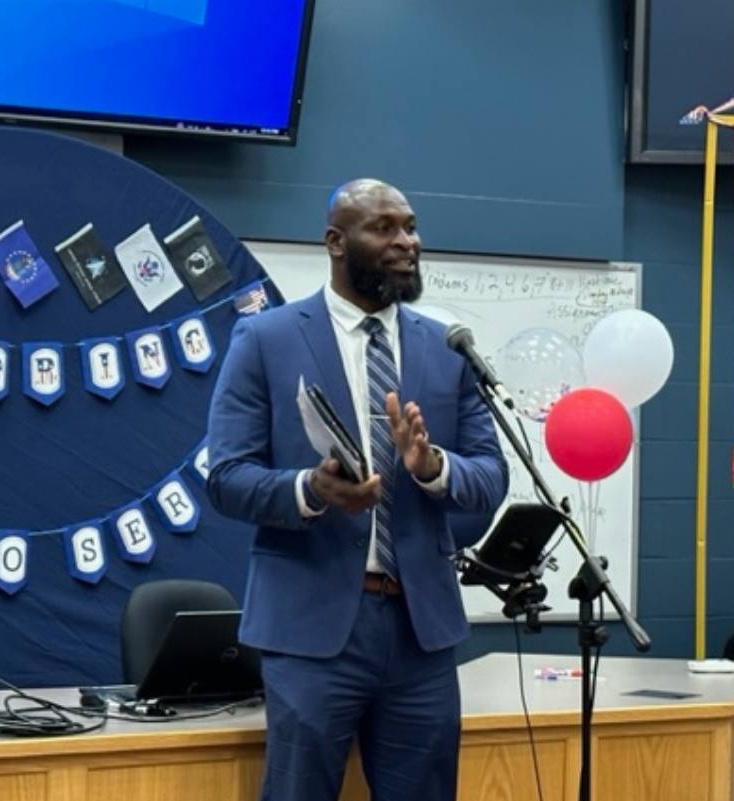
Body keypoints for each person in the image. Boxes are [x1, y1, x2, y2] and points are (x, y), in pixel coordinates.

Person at [206, 178, 509, 801]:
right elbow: (226, 477)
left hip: (420, 630)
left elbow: (491, 474)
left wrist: (431, 469)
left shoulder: (449, 347)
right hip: (310, 631)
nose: (407, 242)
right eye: (385, 228)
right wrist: (310, 490)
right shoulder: (266, 339)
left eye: (411, 226)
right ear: (335, 242)